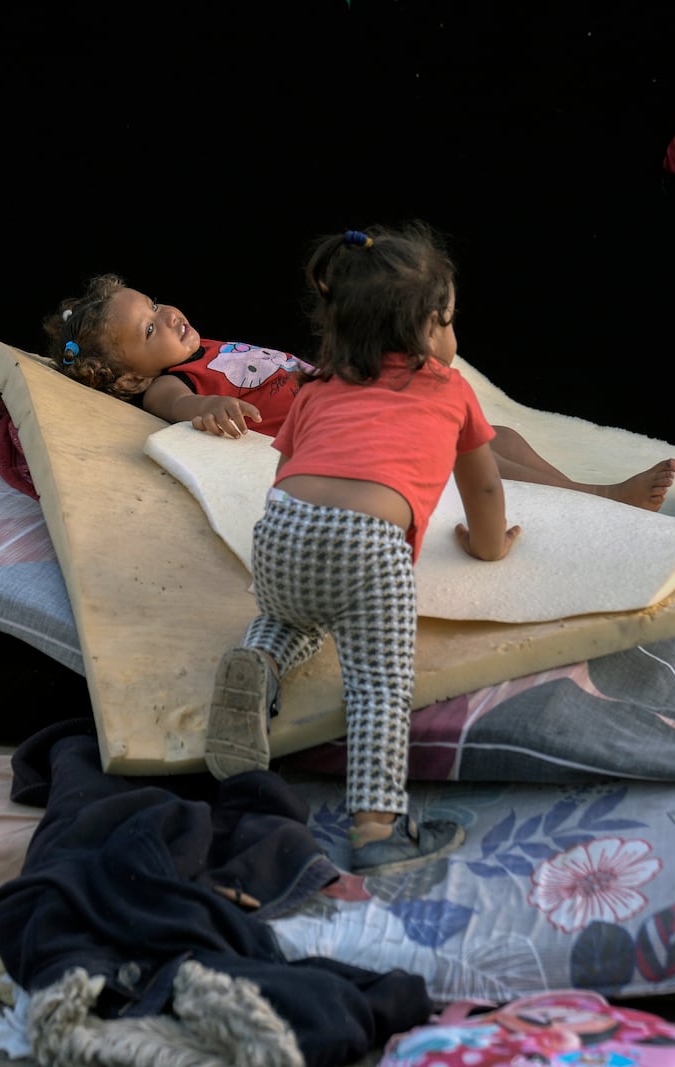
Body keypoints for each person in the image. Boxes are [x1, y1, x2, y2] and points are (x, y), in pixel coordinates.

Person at [205, 221, 522, 877]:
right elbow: (485, 490)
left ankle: (258, 663)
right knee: (378, 684)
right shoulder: (453, 391)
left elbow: (288, 471)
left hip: (282, 530)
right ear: (427, 330)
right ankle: (377, 827)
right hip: (367, 546)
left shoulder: (315, 388)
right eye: (450, 322)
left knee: (294, 613)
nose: (456, 338)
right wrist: (487, 547)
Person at [43, 274, 675, 510]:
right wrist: (205, 407)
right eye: (149, 327)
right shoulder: (172, 381)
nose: (169, 314)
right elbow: (176, 407)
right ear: (129, 376)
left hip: (347, 399)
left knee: (499, 435)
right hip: (337, 434)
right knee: (466, 452)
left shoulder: (203, 349)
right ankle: (601, 498)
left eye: (155, 303)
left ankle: (587, 493)